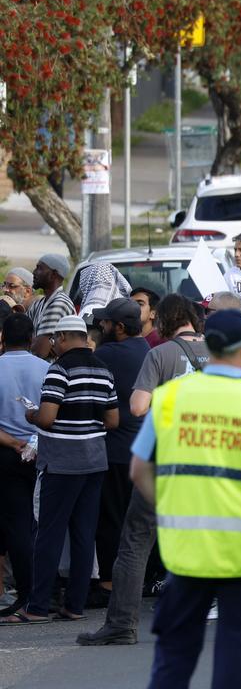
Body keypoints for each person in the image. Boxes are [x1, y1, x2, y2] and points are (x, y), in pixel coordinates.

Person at [127, 310, 241, 689]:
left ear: (208, 346)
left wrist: (167, 508)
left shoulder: (172, 397)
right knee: (236, 651)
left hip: (185, 548)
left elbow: (139, 470)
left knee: (174, 656)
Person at [77, 296, 210, 647]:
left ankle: (122, 624)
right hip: (210, 461)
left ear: (166, 319)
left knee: (136, 541)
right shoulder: (218, 352)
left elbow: (137, 406)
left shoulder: (162, 353)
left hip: (165, 460)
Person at [2, 316, 119, 625]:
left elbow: (47, 419)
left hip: (62, 462)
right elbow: (113, 421)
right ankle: (75, 605)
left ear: (66, 336)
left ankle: (37, 607)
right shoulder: (102, 370)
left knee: (49, 534)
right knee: (83, 535)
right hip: (94, 460)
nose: (53, 344)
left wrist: (31, 414)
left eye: (55, 338)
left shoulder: (60, 370)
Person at [89, 298, 151, 606]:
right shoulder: (149, 351)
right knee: (137, 523)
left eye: (106, 323)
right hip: (143, 451)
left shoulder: (106, 354)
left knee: (110, 520)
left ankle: (110, 584)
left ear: (121, 328)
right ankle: (138, 582)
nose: (102, 326)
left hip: (114, 451)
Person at [0, 315, 48, 618]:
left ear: (3, 337)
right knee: (43, 523)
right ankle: (41, 587)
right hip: (42, 451)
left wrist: (13, 443)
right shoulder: (46, 369)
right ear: (31, 338)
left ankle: (25, 588)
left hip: (6, 454)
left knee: (16, 523)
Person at [28, 253, 76, 359]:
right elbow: (19, 339)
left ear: (53, 274)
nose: (34, 272)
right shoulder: (38, 304)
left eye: (39, 268)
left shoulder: (59, 304)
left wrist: (35, 341)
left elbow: (39, 352)